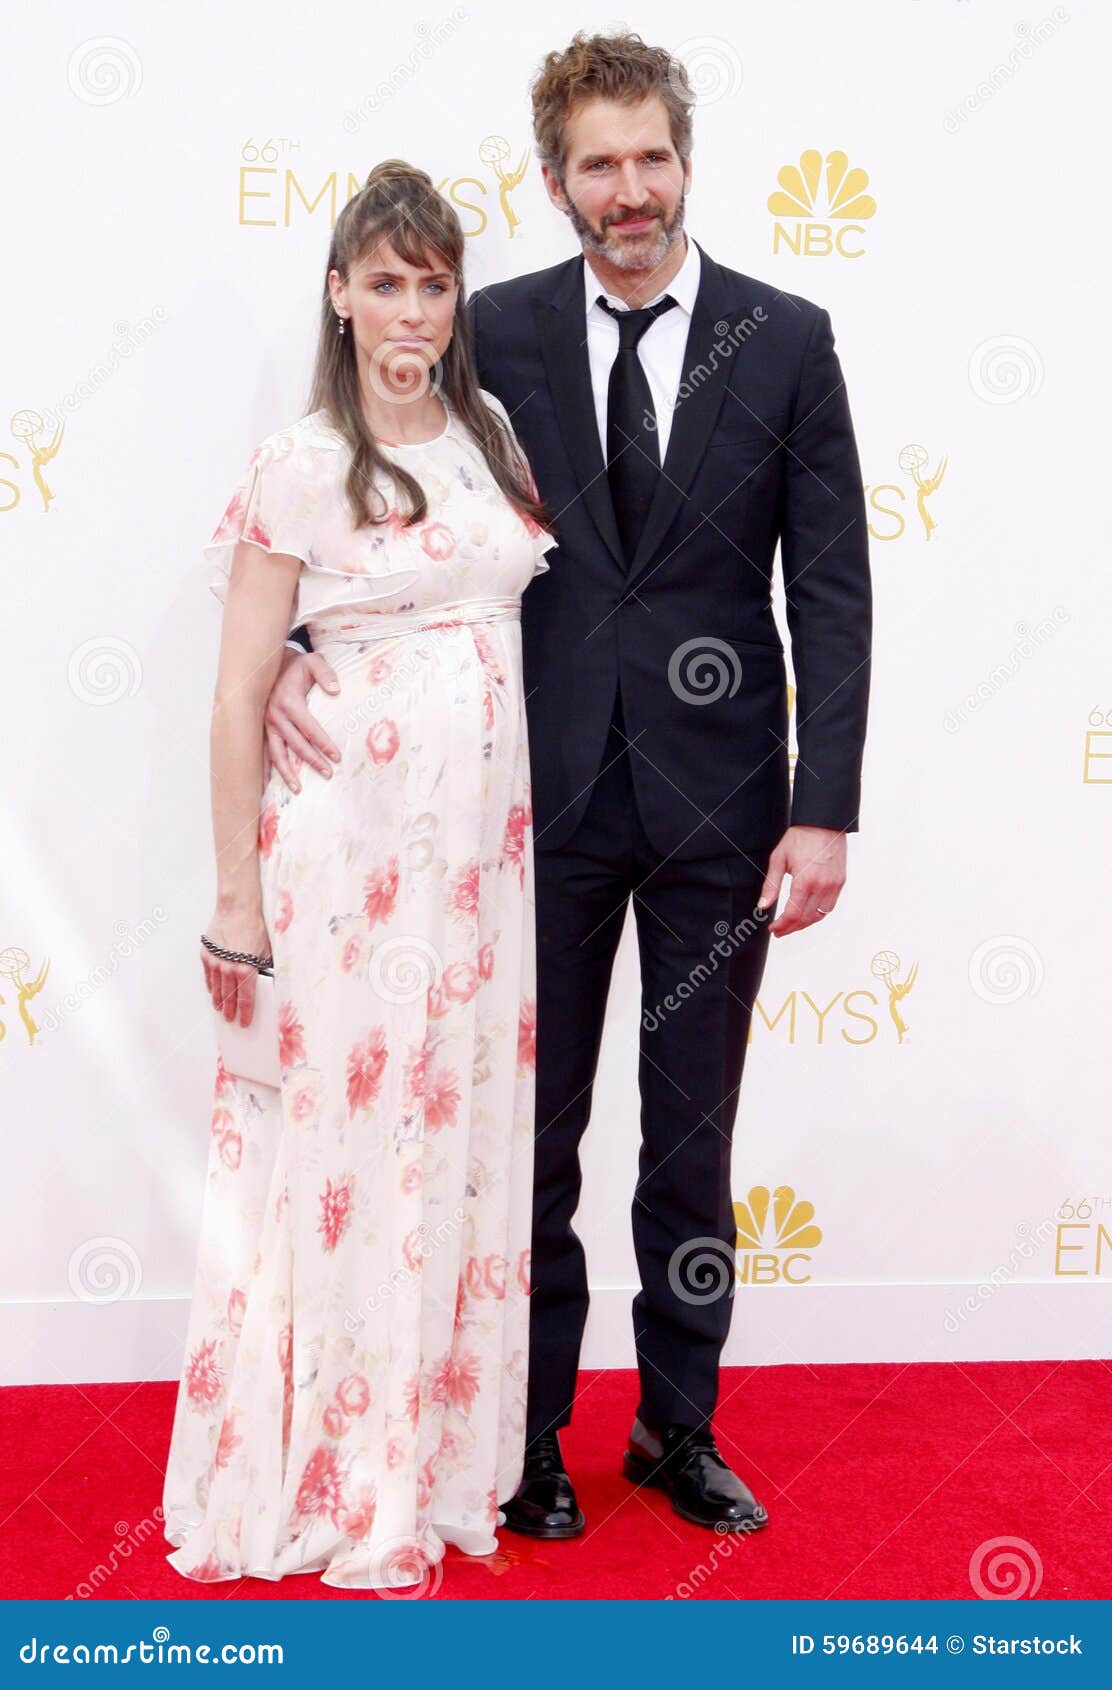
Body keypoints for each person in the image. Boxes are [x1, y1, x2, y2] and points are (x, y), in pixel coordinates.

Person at [266, 32, 872, 1541]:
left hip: (726, 809)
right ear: (556, 182)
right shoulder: (503, 332)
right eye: (597, 165)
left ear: (685, 161)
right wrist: (286, 639)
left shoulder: (784, 339)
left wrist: (828, 799)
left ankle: (679, 1426)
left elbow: (837, 587)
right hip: (527, 808)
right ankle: (521, 1435)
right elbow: (372, 461)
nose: (629, 188)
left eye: (650, 157)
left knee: (690, 1136)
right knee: (521, 1136)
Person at [162, 159, 557, 1591]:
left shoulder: (489, 430)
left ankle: (429, 1459)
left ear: (456, 300)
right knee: (338, 1150)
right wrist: (234, 903)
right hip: (347, 865)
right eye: (382, 281)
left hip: (477, 876)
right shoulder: (300, 461)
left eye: (432, 282)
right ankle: (329, 1473)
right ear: (337, 293)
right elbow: (233, 691)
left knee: (446, 1147)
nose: (409, 307)